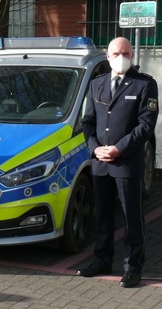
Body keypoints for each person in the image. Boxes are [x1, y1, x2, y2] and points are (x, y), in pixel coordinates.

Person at [79, 37, 158, 288]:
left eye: (126, 53)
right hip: (101, 164)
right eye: (116, 53)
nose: (121, 57)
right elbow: (88, 123)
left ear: (132, 55)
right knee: (102, 216)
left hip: (126, 164)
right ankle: (102, 259)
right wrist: (95, 149)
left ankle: (133, 267)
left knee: (131, 217)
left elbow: (145, 126)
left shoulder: (145, 84)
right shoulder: (96, 84)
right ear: (107, 55)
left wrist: (118, 149)